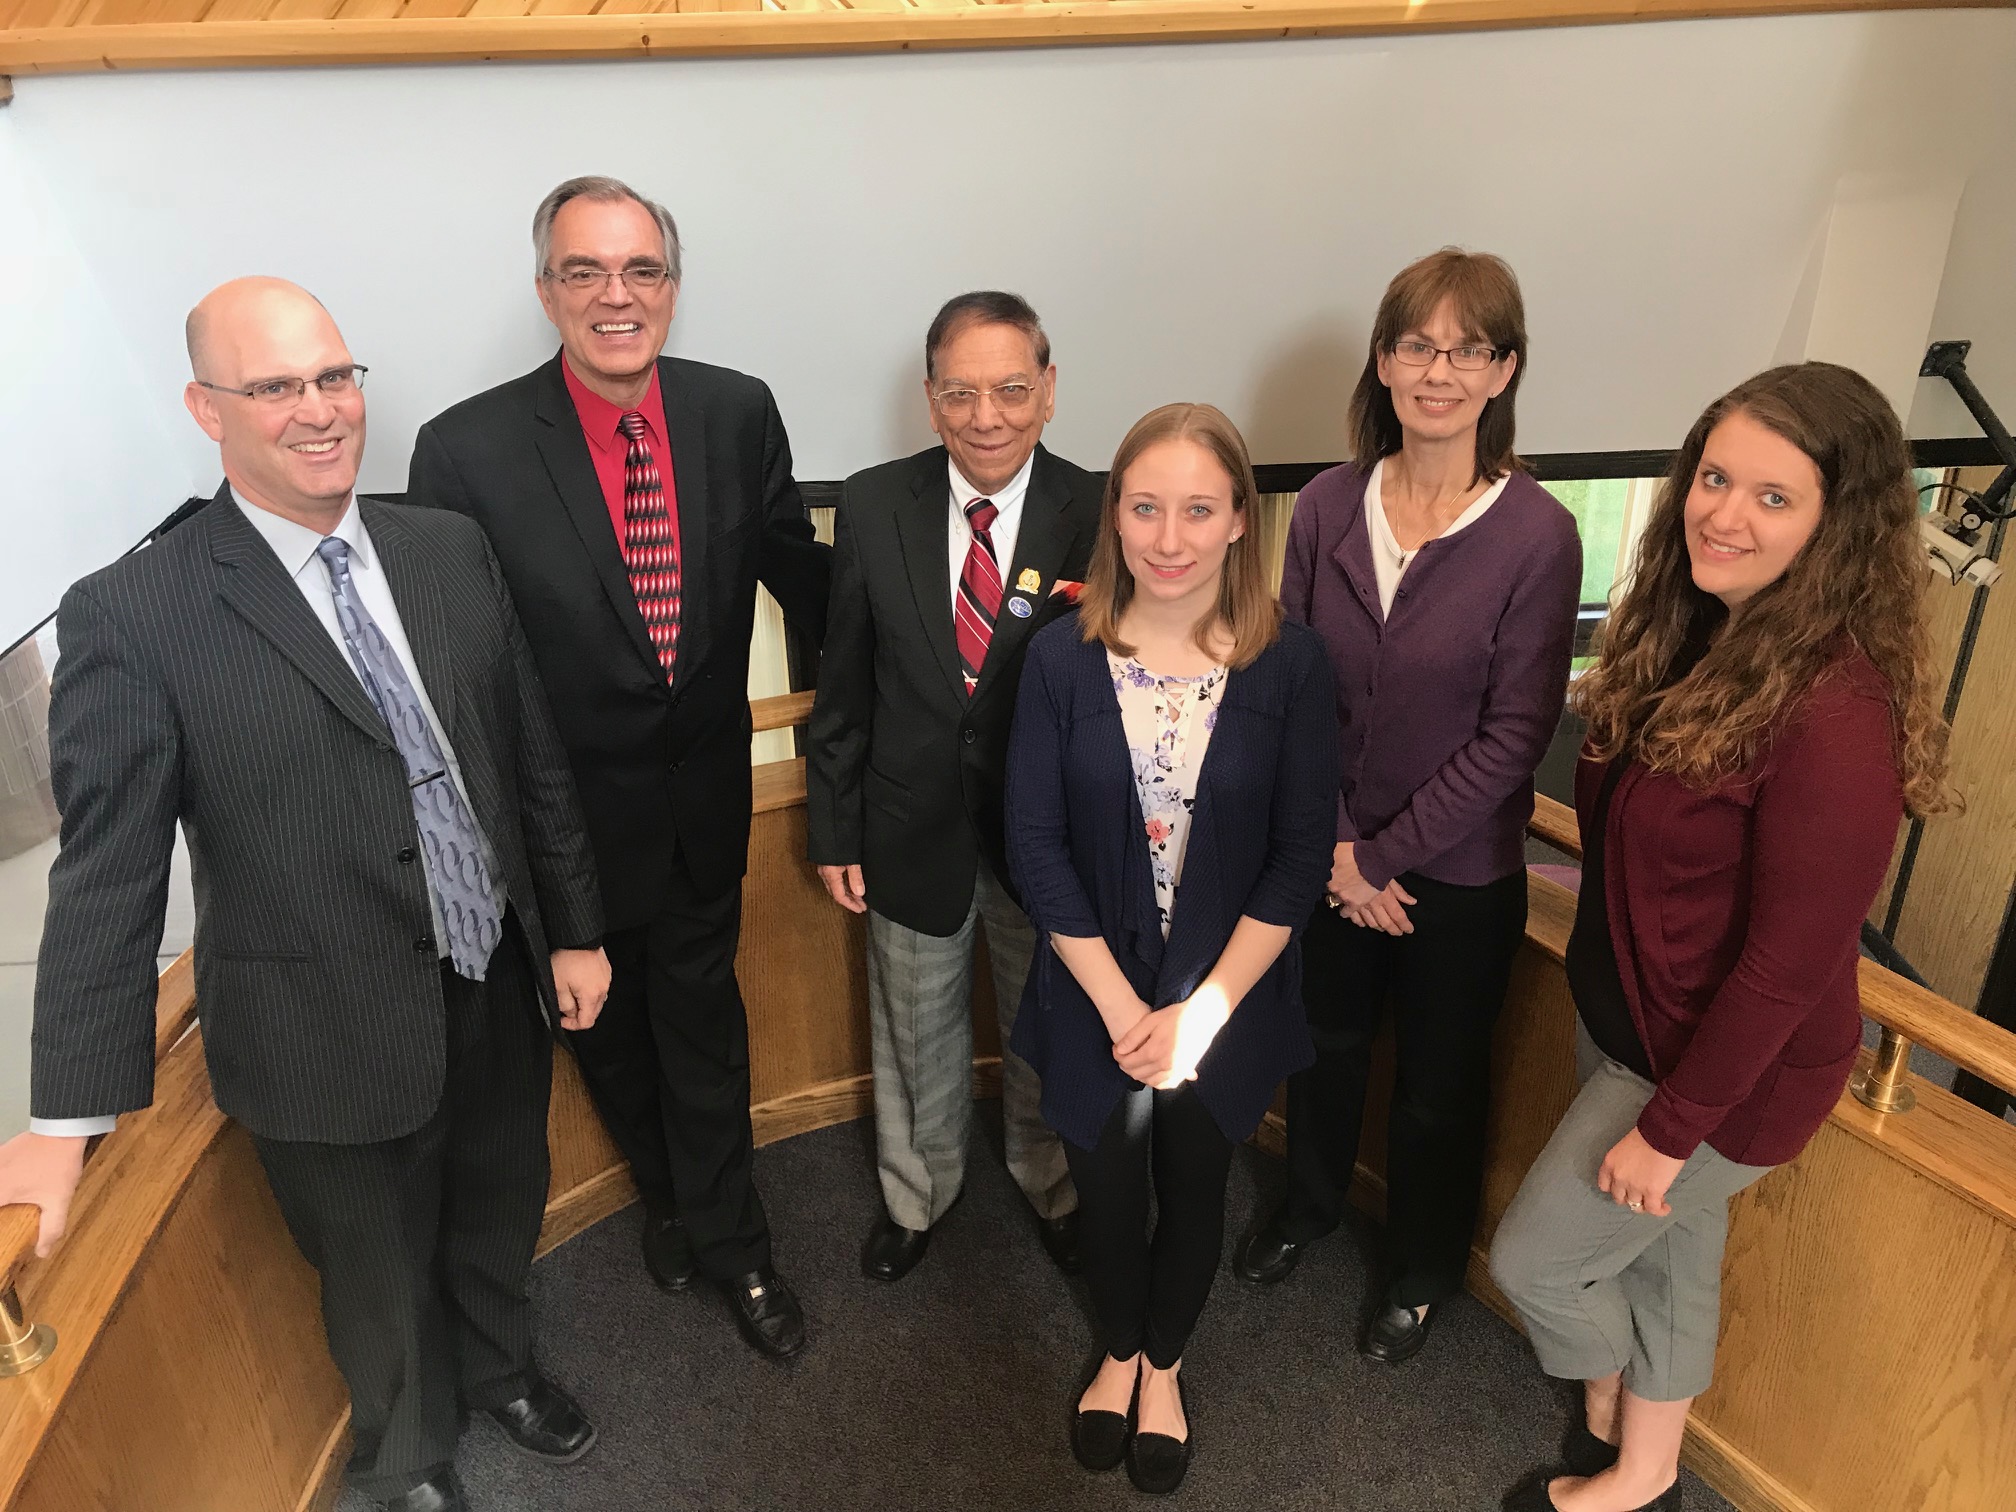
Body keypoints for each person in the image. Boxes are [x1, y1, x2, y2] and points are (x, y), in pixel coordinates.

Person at [0, 278, 610, 1512]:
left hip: (490, 973)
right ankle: (409, 1450)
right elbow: (106, 870)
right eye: (276, 386)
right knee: (372, 1271)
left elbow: (525, 751)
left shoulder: (444, 545)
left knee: (503, 1194)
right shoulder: (137, 610)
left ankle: (501, 1369)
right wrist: (64, 1123)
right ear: (204, 409)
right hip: (316, 1020)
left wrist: (576, 929)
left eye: (334, 376)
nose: (320, 410)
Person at [1489, 363, 1952, 1512]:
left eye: (1773, 497)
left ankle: (1606, 1397)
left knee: (1539, 1266)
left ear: (1839, 527)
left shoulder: (1838, 714)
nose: (1724, 514)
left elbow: (1792, 965)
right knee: (1672, 1258)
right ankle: (1646, 1471)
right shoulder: (1703, 633)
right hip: (1634, 1026)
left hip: (1716, 1077)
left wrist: (1671, 1130)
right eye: (1714, 478)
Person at [406, 177, 830, 1359]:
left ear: (673, 289)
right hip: (561, 829)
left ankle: (737, 1249)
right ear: (546, 290)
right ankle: (677, 1201)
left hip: (701, 804)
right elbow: (462, 667)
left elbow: (805, 578)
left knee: (703, 1022)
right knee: (605, 1033)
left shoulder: (735, 413)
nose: (616, 295)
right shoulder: (467, 450)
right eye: (585, 271)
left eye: (640, 270)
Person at [1238, 249, 1581, 1367]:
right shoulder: (1333, 503)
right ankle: (1308, 1209)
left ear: (1504, 369)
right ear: (1384, 362)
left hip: (1459, 878)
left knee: (1438, 1091)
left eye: (1467, 348)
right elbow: (1288, 684)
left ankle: (1422, 1270)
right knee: (1322, 1050)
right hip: (1330, 850)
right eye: (1417, 345)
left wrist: (1384, 858)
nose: (1440, 369)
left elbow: (1515, 738)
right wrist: (1338, 846)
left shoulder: (1536, 534)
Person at [1005, 403, 1337, 1494]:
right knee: (1104, 1193)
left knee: (1196, 1187)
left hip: (1223, 1008)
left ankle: (1163, 1366)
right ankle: (1118, 1345)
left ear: (1243, 518)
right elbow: (1036, 846)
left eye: (1200, 508)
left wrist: (1200, 1015)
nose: (1170, 536)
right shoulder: (1060, 659)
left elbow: (1296, 861)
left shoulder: (1292, 669)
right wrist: (1117, 1009)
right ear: (1115, 515)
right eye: (1145, 507)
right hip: (1091, 997)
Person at [807, 291, 1102, 1283]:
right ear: (930, 400)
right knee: (914, 1032)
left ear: (1050, 391)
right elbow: (844, 682)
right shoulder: (874, 500)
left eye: (1012, 390)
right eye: (962, 393)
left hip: (1049, 842)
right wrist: (833, 826)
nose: (988, 416)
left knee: (1048, 1026)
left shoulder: (1102, 510)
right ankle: (916, 1194)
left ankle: (1049, 1179)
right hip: (905, 824)